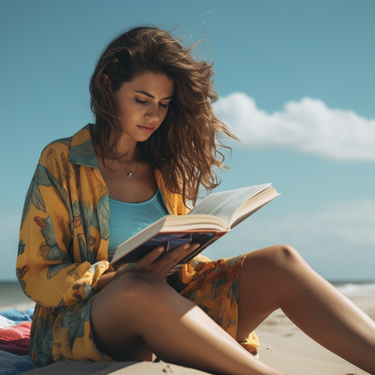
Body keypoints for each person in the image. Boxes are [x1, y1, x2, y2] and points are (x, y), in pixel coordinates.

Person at [17, 26, 375, 375]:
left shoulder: (163, 167)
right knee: (136, 285)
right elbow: (35, 272)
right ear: (108, 86)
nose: (153, 115)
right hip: (88, 320)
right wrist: (111, 279)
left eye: (163, 103)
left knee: (281, 260)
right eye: (141, 100)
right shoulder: (63, 160)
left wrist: (193, 247)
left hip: (169, 304)